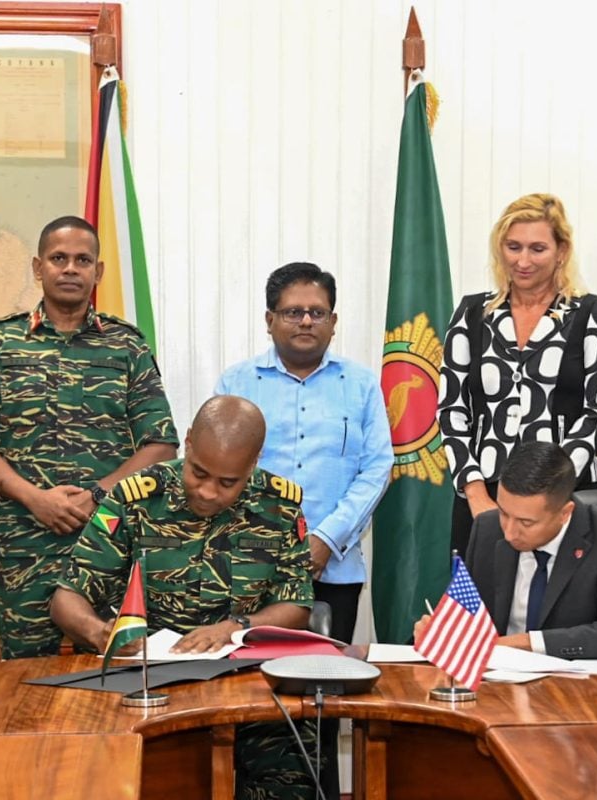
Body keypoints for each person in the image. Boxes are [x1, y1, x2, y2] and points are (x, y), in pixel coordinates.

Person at [51, 395, 318, 800]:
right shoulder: (135, 499)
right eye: (199, 473)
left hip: (249, 687)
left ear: (254, 463)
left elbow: (297, 606)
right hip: (152, 688)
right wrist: (99, 631)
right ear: (188, 442)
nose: (209, 492)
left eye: (228, 482)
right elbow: (66, 598)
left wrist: (237, 627)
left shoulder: (279, 507)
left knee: (290, 773)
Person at [0, 215, 178, 660]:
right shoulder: (1, 344)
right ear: (38, 268)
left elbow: (161, 445)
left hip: (106, 537)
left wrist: (97, 495)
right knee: (24, 675)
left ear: (99, 272)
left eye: (82, 260)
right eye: (59, 259)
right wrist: (35, 498)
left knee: (115, 661)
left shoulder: (127, 346)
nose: (70, 269)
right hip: (25, 538)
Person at [215, 261, 391, 800]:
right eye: (293, 312)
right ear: (270, 320)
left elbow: (377, 468)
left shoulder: (360, 385)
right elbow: (219, 466)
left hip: (334, 568)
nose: (305, 322)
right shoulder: (237, 383)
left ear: (334, 322)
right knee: (249, 687)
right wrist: (273, 547)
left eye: (317, 313)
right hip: (251, 571)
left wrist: (325, 539)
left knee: (326, 697)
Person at [439, 193, 597, 557]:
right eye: (513, 246)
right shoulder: (471, 313)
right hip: (483, 503)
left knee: (563, 610)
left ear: (561, 251)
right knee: (481, 612)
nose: (523, 261)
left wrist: (546, 494)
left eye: (537, 248)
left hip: (565, 501)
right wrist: (475, 493)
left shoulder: (590, 313)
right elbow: (451, 411)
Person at [416, 442, 597, 659]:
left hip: (577, 691)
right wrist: (441, 631)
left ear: (565, 513)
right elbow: (468, 616)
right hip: (497, 687)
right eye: (504, 513)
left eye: (526, 523)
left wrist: (523, 643)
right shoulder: (487, 528)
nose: (509, 532)